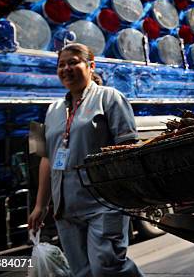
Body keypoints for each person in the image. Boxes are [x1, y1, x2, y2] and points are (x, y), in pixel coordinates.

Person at [28, 43, 144, 277]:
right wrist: (41, 205)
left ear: (91, 66)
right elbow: (45, 158)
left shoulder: (110, 97)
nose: (66, 68)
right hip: (65, 207)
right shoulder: (51, 109)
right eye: (61, 64)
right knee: (81, 272)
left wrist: (131, 192)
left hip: (103, 202)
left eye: (73, 62)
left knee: (107, 266)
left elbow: (128, 148)